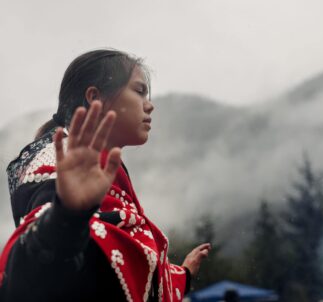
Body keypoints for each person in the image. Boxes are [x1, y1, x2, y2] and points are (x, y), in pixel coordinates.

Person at [0, 49, 211, 302]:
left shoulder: (107, 174)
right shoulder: (58, 164)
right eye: (139, 91)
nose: (150, 104)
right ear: (95, 97)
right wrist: (67, 217)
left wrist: (184, 274)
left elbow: (128, 266)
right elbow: (33, 273)